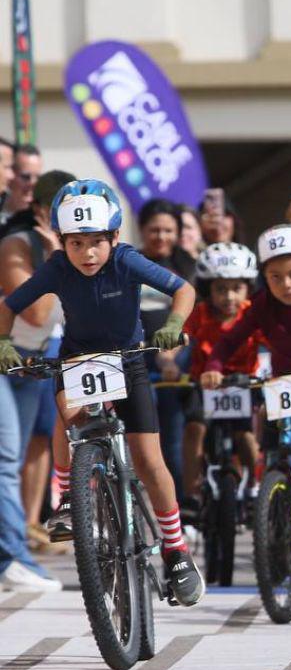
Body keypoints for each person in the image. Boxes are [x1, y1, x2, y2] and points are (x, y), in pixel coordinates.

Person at [0, 179, 205, 604]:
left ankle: (176, 550)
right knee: (68, 416)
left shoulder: (128, 260)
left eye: (96, 242)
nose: (87, 253)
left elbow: (183, 289)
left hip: (128, 360)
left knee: (150, 461)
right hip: (78, 360)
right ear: (62, 242)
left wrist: (172, 324)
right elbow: (8, 306)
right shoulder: (56, 267)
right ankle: (68, 500)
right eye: (76, 244)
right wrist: (4, 342)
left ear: (114, 237)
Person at [180, 243, 262, 583]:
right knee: (194, 429)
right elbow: (180, 340)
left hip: (243, 387)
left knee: (247, 436)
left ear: (247, 288)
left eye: (236, 287)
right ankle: (190, 496)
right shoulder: (199, 314)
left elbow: (269, 339)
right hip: (205, 386)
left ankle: (255, 488)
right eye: (221, 288)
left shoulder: (250, 313)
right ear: (207, 289)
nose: (229, 296)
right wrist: (171, 362)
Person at [0, 170, 73, 553]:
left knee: (24, 447)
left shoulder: (81, 248)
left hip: (32, 359)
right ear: (43, 211)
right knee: (7, 454)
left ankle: (19, 536)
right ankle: (12, 549)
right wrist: (54, 258)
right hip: (5, 352)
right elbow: (35, 313)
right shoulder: (17, 244)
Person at [202, 224, 291, 383]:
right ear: (265, 276)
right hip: (282, 388)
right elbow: (230, 341)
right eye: (275, 277)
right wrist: (213, 368)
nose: (286, 284)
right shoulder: (262, 304)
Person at [137, 199, 196, 495]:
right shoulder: (129, 263)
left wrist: (168, 357)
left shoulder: (186, 267)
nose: (161, 237)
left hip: (174, 362)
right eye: (154, 230)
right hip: (135, 360)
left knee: (172, 436)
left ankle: (179, 501)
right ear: (141, 230)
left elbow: (190, 321)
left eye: (168, 230)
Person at [1, 144, 42, 235]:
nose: (33, 183)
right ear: (11, 175)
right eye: (26, 177)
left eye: (38, 178)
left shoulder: (40, 218)